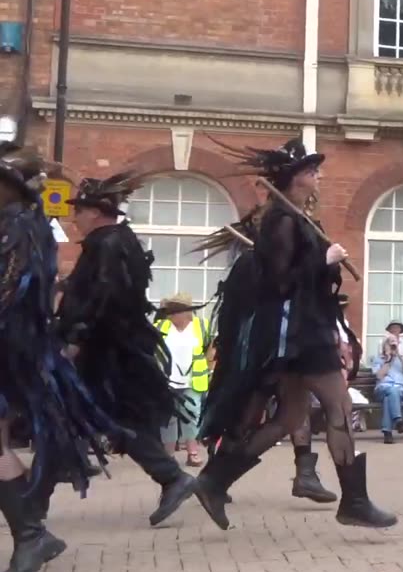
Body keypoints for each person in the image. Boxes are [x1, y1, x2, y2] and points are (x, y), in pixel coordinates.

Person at [194, 137, 395, 529]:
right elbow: (280, 283)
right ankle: (354, 501)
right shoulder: (281, 221)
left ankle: (215, 480)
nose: (318, 175)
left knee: (290, 417)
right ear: (294, 179)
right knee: (339, 407)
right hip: (300, 335)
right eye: (310, 170)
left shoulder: (298, 218)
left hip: (306, 330)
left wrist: (327, 264)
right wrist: (325, 260)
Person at [48, 171, 213, 529]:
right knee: (101, 416)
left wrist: (76, 337)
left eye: (80, 211)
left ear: (96, 213)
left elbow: (103, 298)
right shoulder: (119, 241)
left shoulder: (107, 245)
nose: (75, 218)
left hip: (107, 352)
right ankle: (33, 500)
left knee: (82, 411)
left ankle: (28, 505)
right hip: (115, 349)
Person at [0, 144, 126, 572]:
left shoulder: (18, 227)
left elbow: (12, 292)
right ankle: (33, 536)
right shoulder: (19, 224)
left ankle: (32, 537)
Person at [195, 206, 339, 506]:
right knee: (250, 412)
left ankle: (302, 472)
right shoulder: (252, 263)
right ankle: (213, 476)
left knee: (293, 410)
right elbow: (246, 309)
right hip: (261, 349)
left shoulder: (269, 259)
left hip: (284, 343)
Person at [155, 293, 211, 467]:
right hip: (167, 382)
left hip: (192, 381)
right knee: (168, 419)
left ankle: (192, 453)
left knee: (192, 417)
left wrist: (209, 366)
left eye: (175, 311)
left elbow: (211, 347)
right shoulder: (160, 326)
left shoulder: (201, 326)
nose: (171, 314)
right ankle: (168, 455)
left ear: (187, 312)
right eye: (170, 310)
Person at [371, 322, 403, 444]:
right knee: (391, 391)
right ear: (384, 346)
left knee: (390, 397)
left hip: (398, 391)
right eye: (389, 344)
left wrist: (400, 356)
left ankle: (388, 432)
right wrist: (389, 359)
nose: (391, 347)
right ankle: (398, 419)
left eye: (393, 344)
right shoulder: (378, 359)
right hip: (381, 389)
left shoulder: (402, 358)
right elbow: (379, 376)